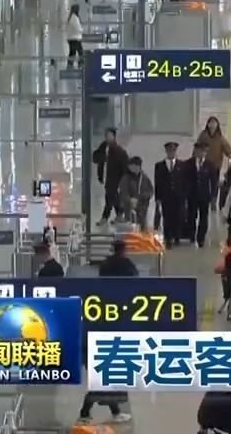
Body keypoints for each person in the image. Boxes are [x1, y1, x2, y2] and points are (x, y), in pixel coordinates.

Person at [79, 241, 137, 422]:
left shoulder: (105, 267)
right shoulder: (127, 266)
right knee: (103, 381)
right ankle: (86, 413)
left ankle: (113, 412)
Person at [182, 141, 220, 248]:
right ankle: (191, 235)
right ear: (195, 151)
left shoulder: (210, 165)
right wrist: (184, 194)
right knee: (191, 217)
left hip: (204, 196)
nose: (201, 153)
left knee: (204, 218)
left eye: (204, 151)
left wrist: (213, 196)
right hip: (191, 196)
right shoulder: (188, 164)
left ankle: (201, 238)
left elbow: (214, 182)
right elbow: (184, 180)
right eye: (199, 150)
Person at [91, 127, 129, 226]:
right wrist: (103, 156)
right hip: (105, 177)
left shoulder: (119, 151)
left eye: (109, 135)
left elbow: (124, 166)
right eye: (106, 135)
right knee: (114, 197)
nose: (107, 137)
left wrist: (123, 180)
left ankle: (105, 217)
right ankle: (120, 215)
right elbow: (95, 158)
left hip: (114, 179)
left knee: (109, 198)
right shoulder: (103, 147)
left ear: (114, 136)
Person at [154, 142, 185, 246]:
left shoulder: (181, 165)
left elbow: (185, 181)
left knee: (178, 217)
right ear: (166, 151)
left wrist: (184, 195)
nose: (171, 153)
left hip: (178, 196)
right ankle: (168, 237)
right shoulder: (159, 166)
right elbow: (157, 183)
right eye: (169, 151)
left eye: (173, 151)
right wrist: (158, 198)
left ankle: (177, 236)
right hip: (166, 196)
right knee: (167, 218)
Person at [117, 156, 154, 229]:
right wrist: (130, 200)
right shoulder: (126, 178)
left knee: (143, 228)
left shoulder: (144, 178)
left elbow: (150, 191)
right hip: (130, 209)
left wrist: (141, 197)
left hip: (143, 209)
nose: (131, 168)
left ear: (138, 166)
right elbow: (123, 192)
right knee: (131, 228)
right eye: (130, 166)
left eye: (134, 166)